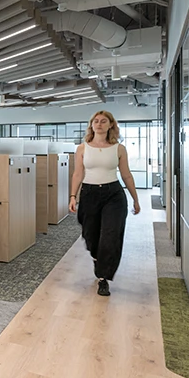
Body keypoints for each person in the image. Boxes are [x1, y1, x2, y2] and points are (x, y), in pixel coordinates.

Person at [68, 110, 140, 296]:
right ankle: (96, 257)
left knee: (110, 235)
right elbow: (78, 173)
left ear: (110, 125)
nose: (99, 124)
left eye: (103, 121)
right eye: (96, 121)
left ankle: (103, 278)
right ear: (92, 125)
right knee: (90, 235)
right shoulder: (82, 148)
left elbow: (126, 175)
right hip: (89, 194)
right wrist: (73, 196)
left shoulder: (119, 149)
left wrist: (135, 199)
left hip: (113, 195)